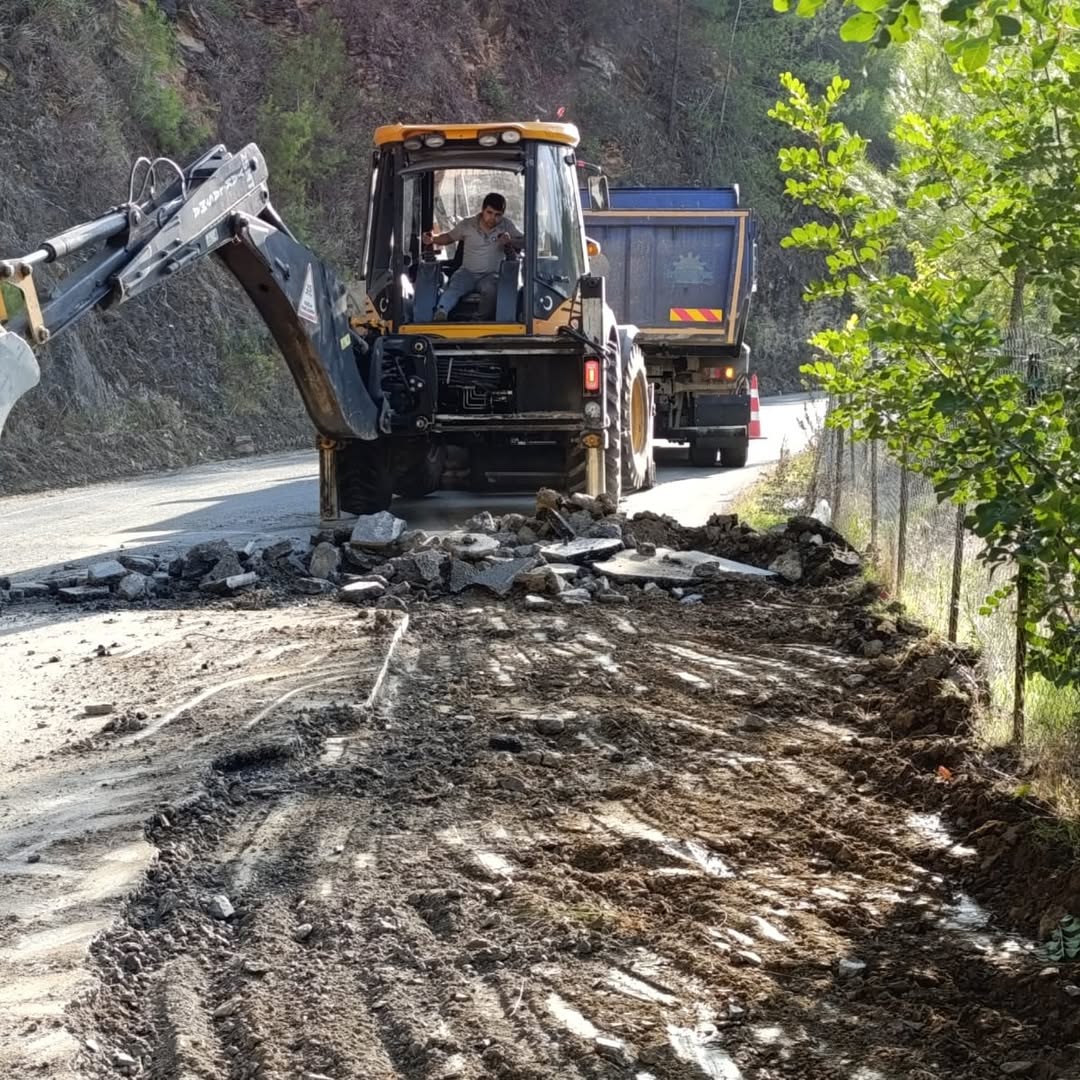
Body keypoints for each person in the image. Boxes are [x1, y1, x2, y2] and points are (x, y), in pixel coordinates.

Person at [422, 192, 523, 320]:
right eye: (489, 213)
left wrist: (510, 241)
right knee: (455, 286)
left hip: (491, 275)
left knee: (492, 289)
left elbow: (525, 241)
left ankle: (478, 320)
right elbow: (449, 237)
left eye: (498, 215)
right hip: (467, 272)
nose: (492, 218)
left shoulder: (507, 225)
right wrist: (432, 240)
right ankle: (441, 312)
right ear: (482, 210)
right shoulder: (467, 224)